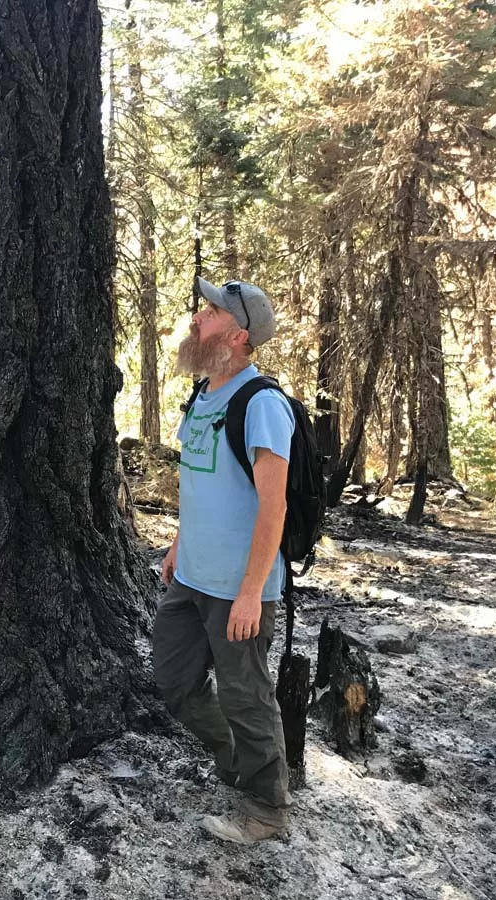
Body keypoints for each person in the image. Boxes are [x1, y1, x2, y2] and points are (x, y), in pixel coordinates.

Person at [154, 277, 294, 843]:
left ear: (238, 336)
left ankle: (267, 809)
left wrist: (250, 591)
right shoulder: (203, 396)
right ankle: (234, 761)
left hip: (240, 589)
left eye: (210, 312)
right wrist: (180, 543)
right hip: (191, 577)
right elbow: (202, 482)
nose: (196, 317)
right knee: (174, 678)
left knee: (247, 696)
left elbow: (273, 505)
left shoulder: (261, 404)